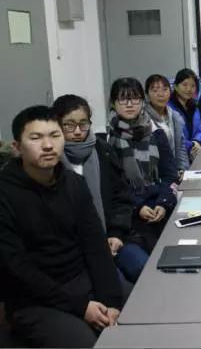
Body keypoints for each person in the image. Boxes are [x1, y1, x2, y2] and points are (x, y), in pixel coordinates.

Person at [0, 106, 122, 348]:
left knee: (142, 309)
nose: (48, 145)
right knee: (88, 343)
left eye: (54, 135)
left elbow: (95, 245)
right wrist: (81, 307)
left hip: (83, 282)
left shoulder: (74, 183)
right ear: (17, 147)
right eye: (36, 138)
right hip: (33, 300)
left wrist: (111, 302)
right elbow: (18, 269)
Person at [52, 95, 150, 283]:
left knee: (145, 270)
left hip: (113, 235)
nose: (78, 131)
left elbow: (121, 196)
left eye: (83, 124)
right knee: (118, 286)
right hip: (79, 249)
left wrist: (116, 233)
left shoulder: (102, 149)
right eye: (69, 125)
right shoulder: (52, 160)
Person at [107, 78, 177, 253]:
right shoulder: (108, 142)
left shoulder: (157, 134)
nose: (130, 104)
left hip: (160, 204)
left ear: (142, 101)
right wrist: (138, 207)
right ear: (113, 103)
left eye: (135, 98)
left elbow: (170, 175)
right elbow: (114, 186)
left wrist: (163, 203)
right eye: (123, 99)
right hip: (129, 213)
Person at [144, 74, 190, 172]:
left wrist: (183, 170)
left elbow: (180, 147)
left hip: (173, 171)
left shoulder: (174, 116)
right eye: (155, 90)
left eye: (165, 89)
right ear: (147, 94)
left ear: (170, 92)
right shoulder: (143, 118)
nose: (161, 94)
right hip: (154, 172)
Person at [168, 68, 201, 161]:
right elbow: (173, 135)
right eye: (184, 85)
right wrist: (191, 145)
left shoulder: (194, 106)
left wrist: (197, 141)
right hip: (177, 155)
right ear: (176, 86)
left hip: (194, 151)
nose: (189, 89)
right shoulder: (169, 107)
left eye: (193, 86)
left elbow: (200, 130)